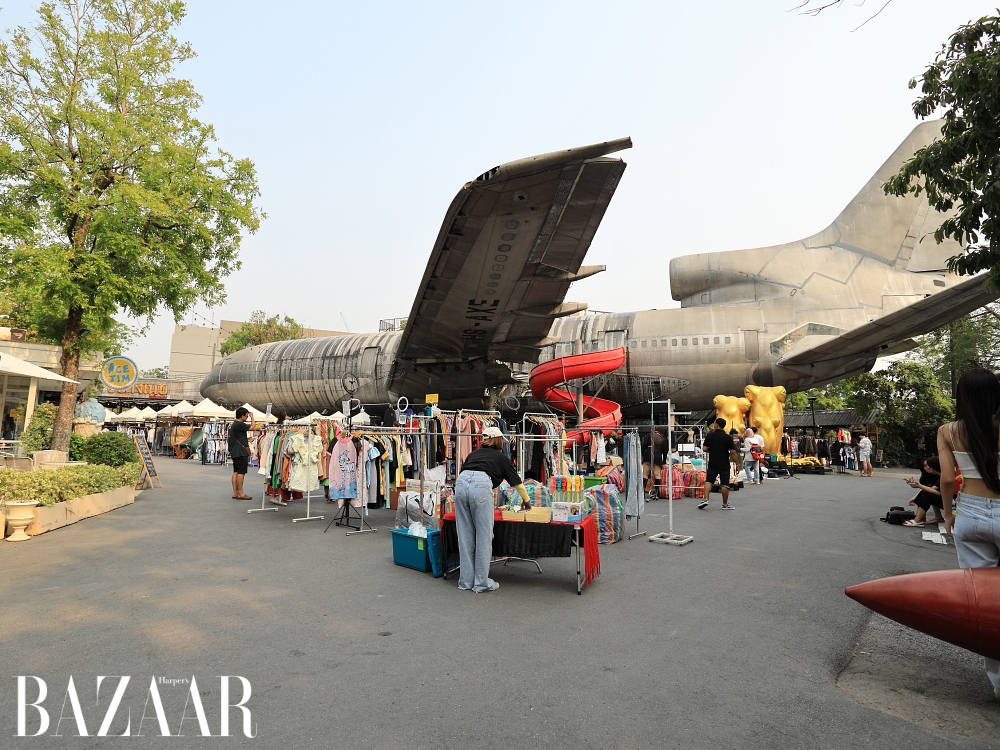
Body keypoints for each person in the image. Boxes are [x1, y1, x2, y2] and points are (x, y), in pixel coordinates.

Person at [937, 368, 1000, 696]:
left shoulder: (948, 432)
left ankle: (999, 683)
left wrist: (948, 515)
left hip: (970, 513)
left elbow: (947, 479)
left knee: (986, 603)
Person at [454, 426, 531, 593]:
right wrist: (526, 500)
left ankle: (466, 581)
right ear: (498, 441)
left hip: (461, 482)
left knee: (464, 534)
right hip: (481, 485)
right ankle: (481, 583)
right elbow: (517, 483)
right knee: (484, 535)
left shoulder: (473, 455)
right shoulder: (501, 457)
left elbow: (464, 474)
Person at [701, 418, 740, 510]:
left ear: (716, 425)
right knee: (725, 484)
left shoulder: (710, 436)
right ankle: (725, 504)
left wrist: (713, 449)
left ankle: (705, 499)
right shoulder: (728, 438)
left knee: (709, 481)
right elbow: (733, 452)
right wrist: (737, 464)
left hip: (713, 463)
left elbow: (704, 449)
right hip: (724, 464)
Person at [903, 456, 943, 527]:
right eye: (925, 466)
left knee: (928, 494)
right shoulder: (926, 476)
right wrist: (915, 496)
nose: (928, 467)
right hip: (946, 499)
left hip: (951, 501)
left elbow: (937, 492)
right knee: (927, 493)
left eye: (929, 466)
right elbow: (929, 489)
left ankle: (917, 520)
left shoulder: (943, 476)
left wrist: (919, 486)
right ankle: (920, 518)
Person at [229, 406, 254, 500]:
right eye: (246, 416)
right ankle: (240, 493)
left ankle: (235, 492)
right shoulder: (239, 424)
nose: (247, 417)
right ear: (242, 416)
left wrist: (245, 439)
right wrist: (252, 417)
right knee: (241, 472)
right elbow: (253, 427)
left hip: (235, 451)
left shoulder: (234, 424)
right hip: (241, 452)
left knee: (236, 471)